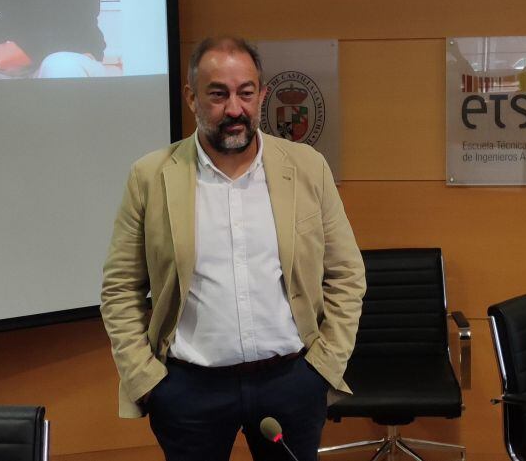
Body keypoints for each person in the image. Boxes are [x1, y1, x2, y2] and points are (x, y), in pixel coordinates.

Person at [100, 36, 366, 461]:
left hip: (292, 380)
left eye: (246, 93)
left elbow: (347, 274)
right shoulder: (150, 176)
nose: (235, 109)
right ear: (191, 97)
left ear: (262, 95)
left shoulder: (307, 168)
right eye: (218, 94)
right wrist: (146, 380)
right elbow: (120, 289)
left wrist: (324, 367)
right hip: (188, 390)